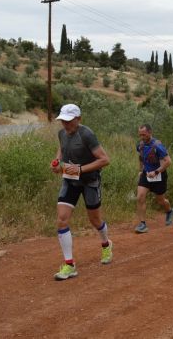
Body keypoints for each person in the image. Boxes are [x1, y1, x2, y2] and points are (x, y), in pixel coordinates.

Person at [51, 104, 112, 281]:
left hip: (90, 181)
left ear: (79, 119)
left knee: (94, 219)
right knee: (62, 219)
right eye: (63, 120)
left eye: (69, 121)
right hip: (70, 179)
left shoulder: (87, 134)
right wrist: (56, 162)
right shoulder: (62, 133)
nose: (65, 124)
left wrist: (79, 170)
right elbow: (62, 149)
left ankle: (106, 244)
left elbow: (104, 159)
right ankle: (69, 265)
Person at [134, 124, 173, 233]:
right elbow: (141, 158)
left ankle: (169, 211)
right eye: (140, 135)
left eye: (144, 134)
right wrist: (140, 170)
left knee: (160, 200)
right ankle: (142, 224)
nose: (142, 137)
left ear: (150, 132)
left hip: (159, 175)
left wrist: (156, 171)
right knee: (140, 197)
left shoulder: (158, 146)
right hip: (146, 174)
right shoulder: (140, 145)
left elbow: (168, 161)